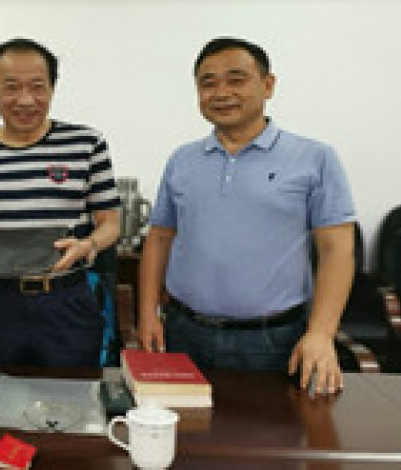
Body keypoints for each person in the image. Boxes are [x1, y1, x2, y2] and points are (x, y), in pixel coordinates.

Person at [138, 37, 355, 396]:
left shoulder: (314, 158)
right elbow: (160, 238)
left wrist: (321, 333)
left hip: (273, 340)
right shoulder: (182, 160)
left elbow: (337, 250)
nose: (221, 93)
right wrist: (148, 314)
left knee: (270, 429)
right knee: (183, 430)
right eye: (208, 83)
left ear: (268, 85)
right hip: (184, 332)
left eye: (236, 79)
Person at [0, 37, 121, 367]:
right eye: (11, 87)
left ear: (52, 88)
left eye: (38, 87)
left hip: (66, 300)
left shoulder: (86, 143)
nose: (26, 100)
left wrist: (88, 245)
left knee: (72, 393)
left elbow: (110, 223)